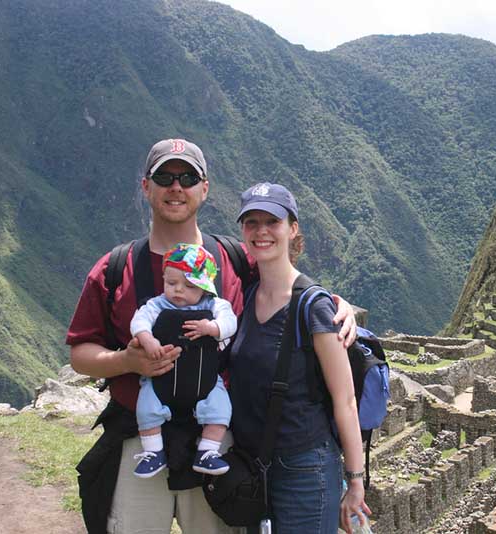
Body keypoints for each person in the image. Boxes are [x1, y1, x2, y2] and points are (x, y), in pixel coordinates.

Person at [67, 139, 358, 534]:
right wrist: (126, 361)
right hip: (141, 438)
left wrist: (335, 304)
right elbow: (81, 352)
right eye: (164, 177)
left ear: (204, 189)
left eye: (187, 177)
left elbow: (287, 290)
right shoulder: (116, 268)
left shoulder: (235, 261)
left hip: (215, 439)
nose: (176, 187)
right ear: (146, 187)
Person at [228, 183, 370, 534]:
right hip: (254, 465)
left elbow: (346, 400)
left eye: (272, 222)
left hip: (305, 468)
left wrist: (355, 479)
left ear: (292, 229)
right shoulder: (244, 295)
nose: (261, 231)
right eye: (252, 222)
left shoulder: (315, 308)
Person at [130, 243, 235, 478]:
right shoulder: (157, 305)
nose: (178, 290)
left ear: (205, 288)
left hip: (205, 378)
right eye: (171, 283)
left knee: (221, 409)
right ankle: (153, 451)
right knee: (146, 407)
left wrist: (212, 327)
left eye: (189, 285)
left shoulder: (214, 306)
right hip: (161, 376)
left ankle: (208, 451)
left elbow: (230, 323)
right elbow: (139, 321)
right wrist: (147, 339)